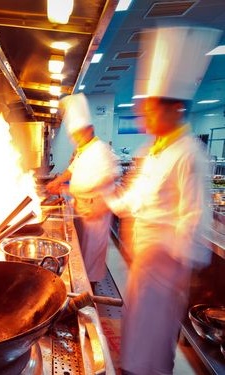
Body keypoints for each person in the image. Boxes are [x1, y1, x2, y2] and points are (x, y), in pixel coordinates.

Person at [102, 26, 221, 374]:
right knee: (136, 343)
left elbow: (194, 226)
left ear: (172, 108)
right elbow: (135, 199)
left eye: (150, 108)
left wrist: (161, 248)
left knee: (153, 353)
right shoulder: (154, 150)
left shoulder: (190, 155)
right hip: (143, 268)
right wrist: (107, 199)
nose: (144, 115)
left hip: (165, 274)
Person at [46, 93, 119, 283]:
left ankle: (89, 293)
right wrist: (58, 181)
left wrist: (64, 189)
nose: (76, 138)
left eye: (79, 133)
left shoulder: (101, 150)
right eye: (74, 135)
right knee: (82, 256)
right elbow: (72, 169)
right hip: (82, 209)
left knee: (91, 260)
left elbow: (101, 180)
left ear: (91, 129)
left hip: (96, 213)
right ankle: (83, 283)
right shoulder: (83, 149)